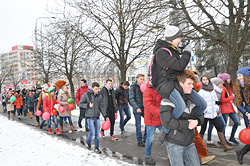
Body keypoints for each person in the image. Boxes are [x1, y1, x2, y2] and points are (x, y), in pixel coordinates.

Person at [153, 24, 206, 139]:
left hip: (175, 83)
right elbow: (179, 66)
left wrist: (182, 52)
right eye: (179, 37)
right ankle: (166, 131)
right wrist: (187, 52)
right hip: (165, 85)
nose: (181, 39)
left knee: (202, 104)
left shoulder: (172, 50)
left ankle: (189, 122)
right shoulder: (161, 52)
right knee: (180, 106)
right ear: (173, 38)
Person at [160, 70, 204, 166]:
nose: (192, 86)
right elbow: (167, 122)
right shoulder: (167, 100)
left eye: (192, 84)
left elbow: (201, 114)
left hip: (189, 141)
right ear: (180, 83)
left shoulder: (191, 98)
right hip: (174, 142)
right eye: (189, 84)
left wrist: (197, 121)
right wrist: (187, 124)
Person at [198, 75, 233, 151]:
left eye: (206, 79)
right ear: (201, 81)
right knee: (203, 129)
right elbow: (200, 103)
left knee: (219, 128)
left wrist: (217, 108)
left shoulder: (212, 90)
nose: (205, 81)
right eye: (203, 80)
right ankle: (199, 147)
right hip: (206, 114)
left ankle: (224, 146)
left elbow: (215, 101)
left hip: (213, 114)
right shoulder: (201, 91)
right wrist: (205, 110)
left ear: (209, 80)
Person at [79, 82, 108, 154]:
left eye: (98, 89)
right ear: (92, 88)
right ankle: (88, 142)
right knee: (92, 132)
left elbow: (101, 106)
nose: (97, 90)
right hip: (89, 117)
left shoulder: (99, 96)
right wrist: (88, 105)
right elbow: (80, 104)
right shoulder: (87, 95)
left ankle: (96, 147)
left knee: (97, 134)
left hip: (97, 117)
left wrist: (105, 116)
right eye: (96, 89)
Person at [143, 81, 162, 165]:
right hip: (151, 119)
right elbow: (148, 105)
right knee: (150, 139)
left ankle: (173, 154)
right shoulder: (147, 91)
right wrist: (160, 111)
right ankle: (147, 156)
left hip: (161, 118)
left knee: (168, 137)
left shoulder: (161, 89)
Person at [218, 73, 239, 145]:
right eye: (228, 78)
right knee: (224, 125)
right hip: (224, 110)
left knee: (236, 122)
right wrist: (232, 97)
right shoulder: (223, 88)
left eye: (229, 78)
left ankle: (232, 137)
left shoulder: (230, 87)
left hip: (231, 109)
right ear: (224, 80)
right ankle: (223, 140)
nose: (229, 79)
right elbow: (223, 100)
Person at [235, 67, 250, 164]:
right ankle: (241, 152)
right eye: (237, 76)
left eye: (240, 75)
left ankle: (241, 152)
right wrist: (246, 113)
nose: (238, 78)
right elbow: (238, 104)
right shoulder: (240, 87)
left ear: (246, 76)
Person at [206, 77, 226, 147]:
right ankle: (209, 141)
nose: (222, 85)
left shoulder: (219, 90)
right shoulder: (212, 90)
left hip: (218, 111)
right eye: (221, 84)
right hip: (212, 111)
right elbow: (209, 100)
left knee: (222, 124)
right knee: (211, 126)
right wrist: (216, 102)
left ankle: (220, 140)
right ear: (217, 84)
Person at [129, 74, 147, 147]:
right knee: (138, 125)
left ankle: (145, 138)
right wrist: (136, 108)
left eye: (143, 79)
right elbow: (131, 98)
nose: (142, 81)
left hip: (144, 108)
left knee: (148, 123)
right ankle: (139, 140)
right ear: (137, 79)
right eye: (140, 79)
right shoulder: (133, 87)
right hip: (137, 109)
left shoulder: (144, 87)